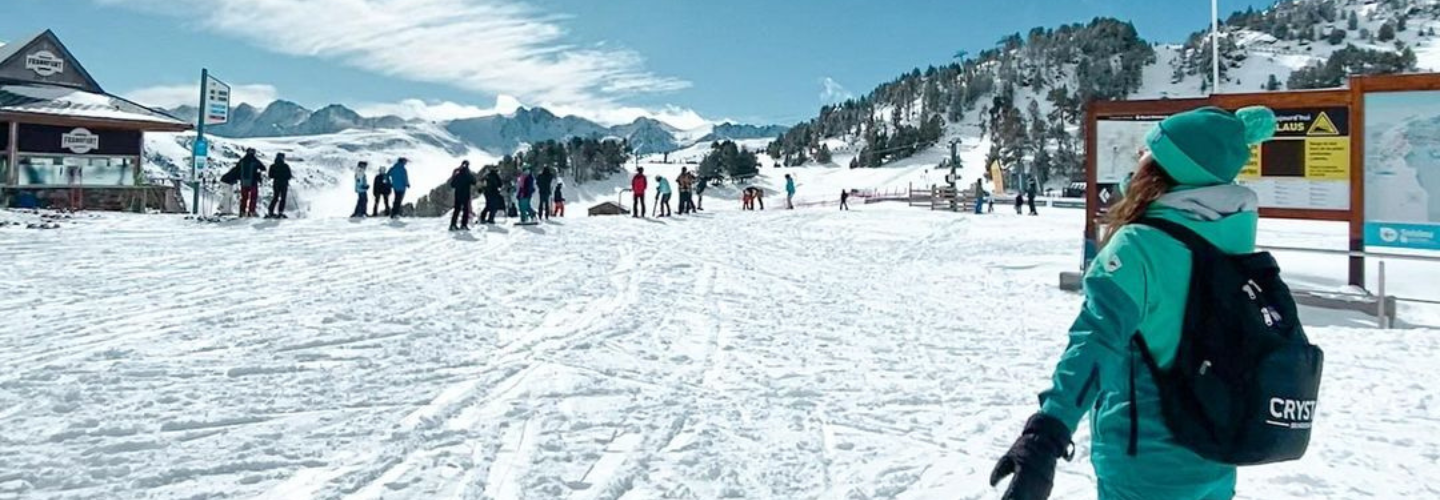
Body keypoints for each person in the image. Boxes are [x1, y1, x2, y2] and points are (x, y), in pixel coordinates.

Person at [989, 106, 1275, 500]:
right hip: (1213, 455)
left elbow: (1095, 343)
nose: (1140, 157)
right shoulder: (1232, 236)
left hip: (1145, 462)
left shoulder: (1141, 246)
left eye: (1149, 151)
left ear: (1172, 166)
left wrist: (1046, 434)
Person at [237, 148, 266, 217]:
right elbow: (263, 168)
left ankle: (242, 211)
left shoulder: (242, 160)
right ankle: (251, 211)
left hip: (243, 182)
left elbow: (237, 168)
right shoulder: (254, 160)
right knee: (253, 197)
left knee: (244, 197)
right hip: (252, 182)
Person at [449, 161, 477, 231]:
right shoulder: (468, 175)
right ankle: (463, 225)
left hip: (457, 195)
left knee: (456, 210)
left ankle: (453, 225)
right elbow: (474, 182)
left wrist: (454, 175)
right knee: (466, 210)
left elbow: (452, 185)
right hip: (465, 195)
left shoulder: (457, 175)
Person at [266, 153, 293, 218]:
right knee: (283, 198)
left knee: (275, 197)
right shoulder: (285, 166)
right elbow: (289, 175)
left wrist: (276, 176)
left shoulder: (273, 166)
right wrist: (285, 177)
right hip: (284, 183)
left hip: (276, 183)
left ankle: (270, 211)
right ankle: (280, 212)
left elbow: (270, 175)